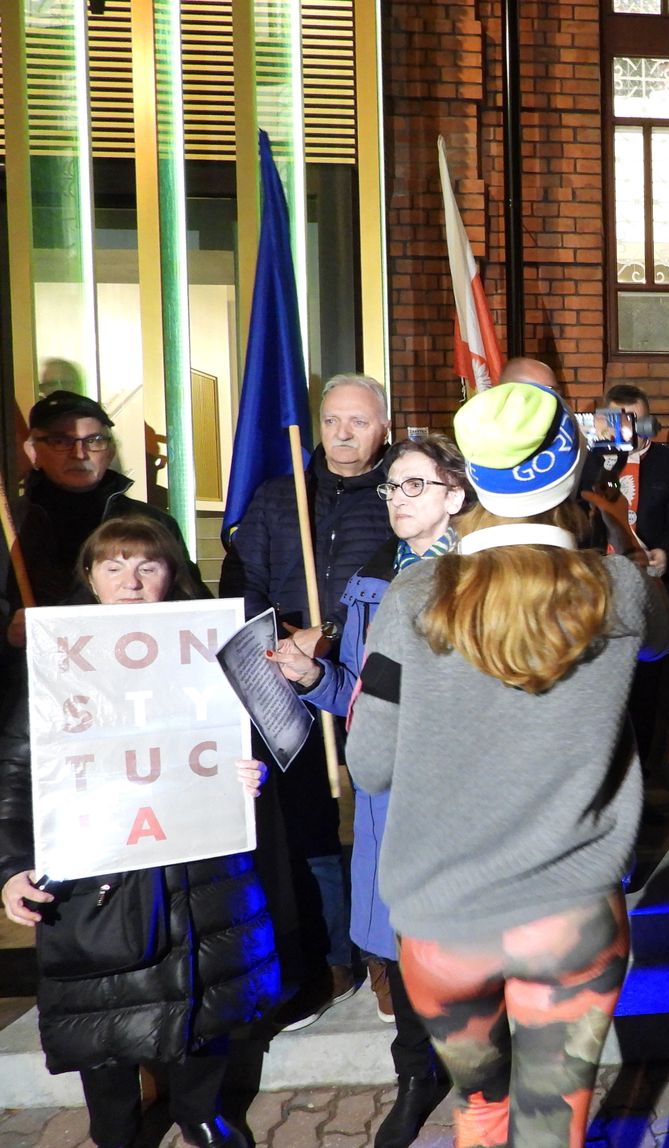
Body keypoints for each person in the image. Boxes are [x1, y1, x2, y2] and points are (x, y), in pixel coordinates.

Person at [346, 381, 669, 1148]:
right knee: (549, 1123)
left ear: (473, 484)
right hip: (569, 916)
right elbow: (661, 642)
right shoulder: (620, 588)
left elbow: (370, 765)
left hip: (443, 926)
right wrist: (615, 531)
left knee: (483, 1107)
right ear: (572, 477)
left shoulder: (413, 594)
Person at [0, 516, 278, 1148]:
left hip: (199, 868)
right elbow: (16, 771)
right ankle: (114, 1128)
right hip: (96, 875)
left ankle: (199, 1111)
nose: (131, 582)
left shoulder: (209, 652)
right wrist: (11, 866)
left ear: (170, 576)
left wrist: (251, 768)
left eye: (147, 566)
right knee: (101, 1008)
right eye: (114, 566)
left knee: (205, 996)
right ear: (91, 578)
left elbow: (253, 733)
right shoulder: (57, 664)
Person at [270, 435, 470, 1147]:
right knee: (404, 939)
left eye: (416, 485)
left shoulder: (485, 574)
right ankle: (416, 1075)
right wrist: (312, 679)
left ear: (456, 495)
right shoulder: (370, 581)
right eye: (391, 487)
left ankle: (486, 1069)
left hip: (465, 790)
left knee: (470, 938)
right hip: (391, 790)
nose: (397, 499)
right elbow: (358, 697)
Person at [221, 372, 393, 1025]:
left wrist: (329, 636)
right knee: (308, 824)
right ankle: (330, 957)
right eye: (332, 421)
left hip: (370, 681)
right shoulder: (275, 497)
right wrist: (281, 640)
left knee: (377, 819)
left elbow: (404, 585)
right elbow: (244, 583)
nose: (343, 434)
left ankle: (384, 954)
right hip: (283, 680)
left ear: (383, 426)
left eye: (359, 421)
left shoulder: (397, 496)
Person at [4, 391, 197, 648]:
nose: (79, 453)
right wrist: (7, 633)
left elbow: (192, 602)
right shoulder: (9, 526)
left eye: (94, 440)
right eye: (60, 441)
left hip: (137, 661)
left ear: (111, 449)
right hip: (30, 670)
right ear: (32, 451)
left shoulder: (153, 523)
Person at [602, 383, 669, 778]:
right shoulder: (590, 462)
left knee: (645, 694)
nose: (630, 430)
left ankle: (642, 778)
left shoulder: (667, 463)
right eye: (621, 422)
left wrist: (668, 553)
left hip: (646, 592)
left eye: (638, 421)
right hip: (596, 592)